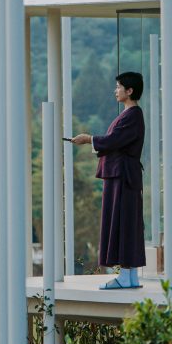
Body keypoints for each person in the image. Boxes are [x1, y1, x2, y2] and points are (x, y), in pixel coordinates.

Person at [70, 71, 146, 289]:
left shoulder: (132, 115)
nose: (116, 91)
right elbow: (116, 143)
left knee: (122, 222)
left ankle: (124, 276)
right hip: (123, 176)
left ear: (129, 91)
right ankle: (130, 276)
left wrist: (89, 139)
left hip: (122, 176)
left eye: (119, 87)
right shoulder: (130, 115)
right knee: (126, 223)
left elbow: (114, 141)